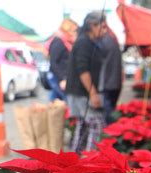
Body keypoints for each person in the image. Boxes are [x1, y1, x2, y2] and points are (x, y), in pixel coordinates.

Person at [65, 11, 106, 153]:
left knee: (83, 126)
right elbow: (83, 71)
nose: (104, 30)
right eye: (102, 26)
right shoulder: (84, 42)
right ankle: (90, 162)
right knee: (97, 125)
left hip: (79, 92)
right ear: (92, 25)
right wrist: (93, 94)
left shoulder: (86, 41)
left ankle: (73, 159)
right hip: (82, 93)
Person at [46, 18, 78, 101]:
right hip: (57, 78)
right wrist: (62, 79)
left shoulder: (68, 42)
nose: (76, 33)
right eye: (74, 31)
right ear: (68, 30)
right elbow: (53, 62)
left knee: (55, 102)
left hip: (63, 78)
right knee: (68, 101)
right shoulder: (59, 42)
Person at [98, 22, 123, 125]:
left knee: (107, 118)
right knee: (110, 113)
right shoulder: (112, 38)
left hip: (106, 83)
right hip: (114, 82)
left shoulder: (103, 41)